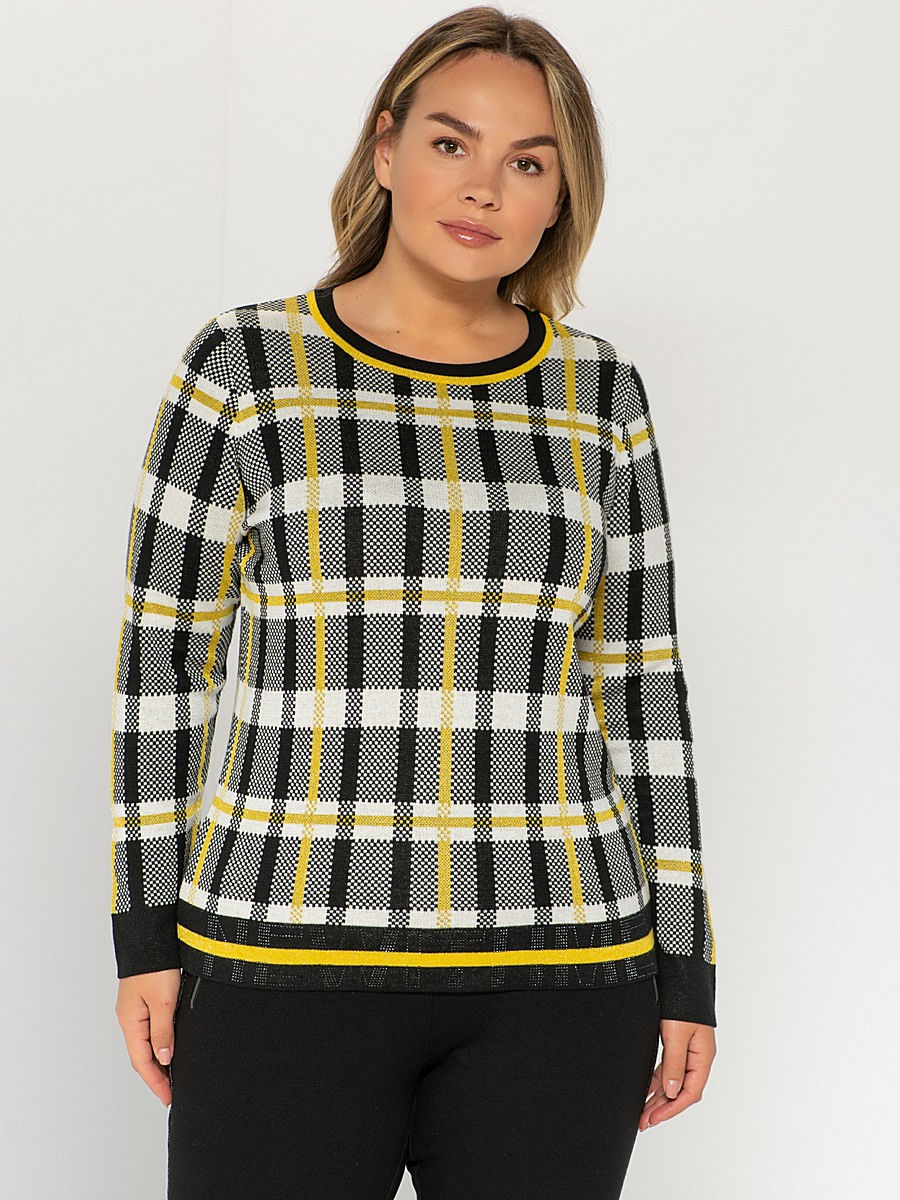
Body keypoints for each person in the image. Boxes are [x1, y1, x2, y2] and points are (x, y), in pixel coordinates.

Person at [110, 7, 717, 1198]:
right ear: (385, 149)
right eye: (451, 143)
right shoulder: (244, 366)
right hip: (278, 959)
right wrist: (145, 935)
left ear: (560, 197)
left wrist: (686, 962)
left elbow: (641, 686)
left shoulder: (600, 392)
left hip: (564, 977)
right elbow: (162, 667)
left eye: (528, 163)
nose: (484, 187)